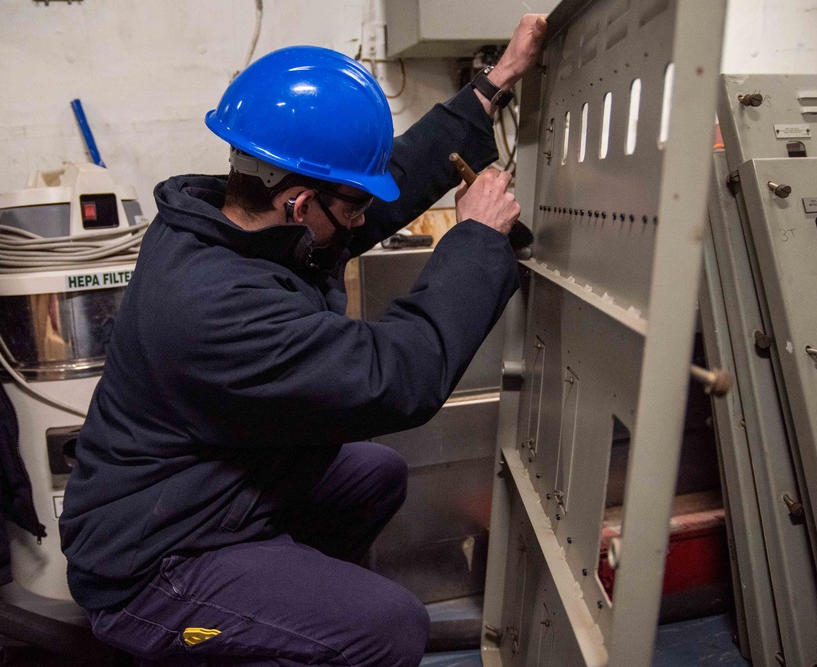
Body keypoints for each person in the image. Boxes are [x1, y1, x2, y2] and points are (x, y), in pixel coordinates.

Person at [59, 14, 547, 667]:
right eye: (349, 209)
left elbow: (368, 185)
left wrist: (495, 81)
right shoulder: (213, 307)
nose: (359, 219)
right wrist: (475, 240)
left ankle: (280, 611)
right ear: (297, 204)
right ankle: (234, 634)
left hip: (201, 502)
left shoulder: (229, 223)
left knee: (374, 472)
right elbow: (397, 376)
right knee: (390, 627)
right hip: (146, 580)